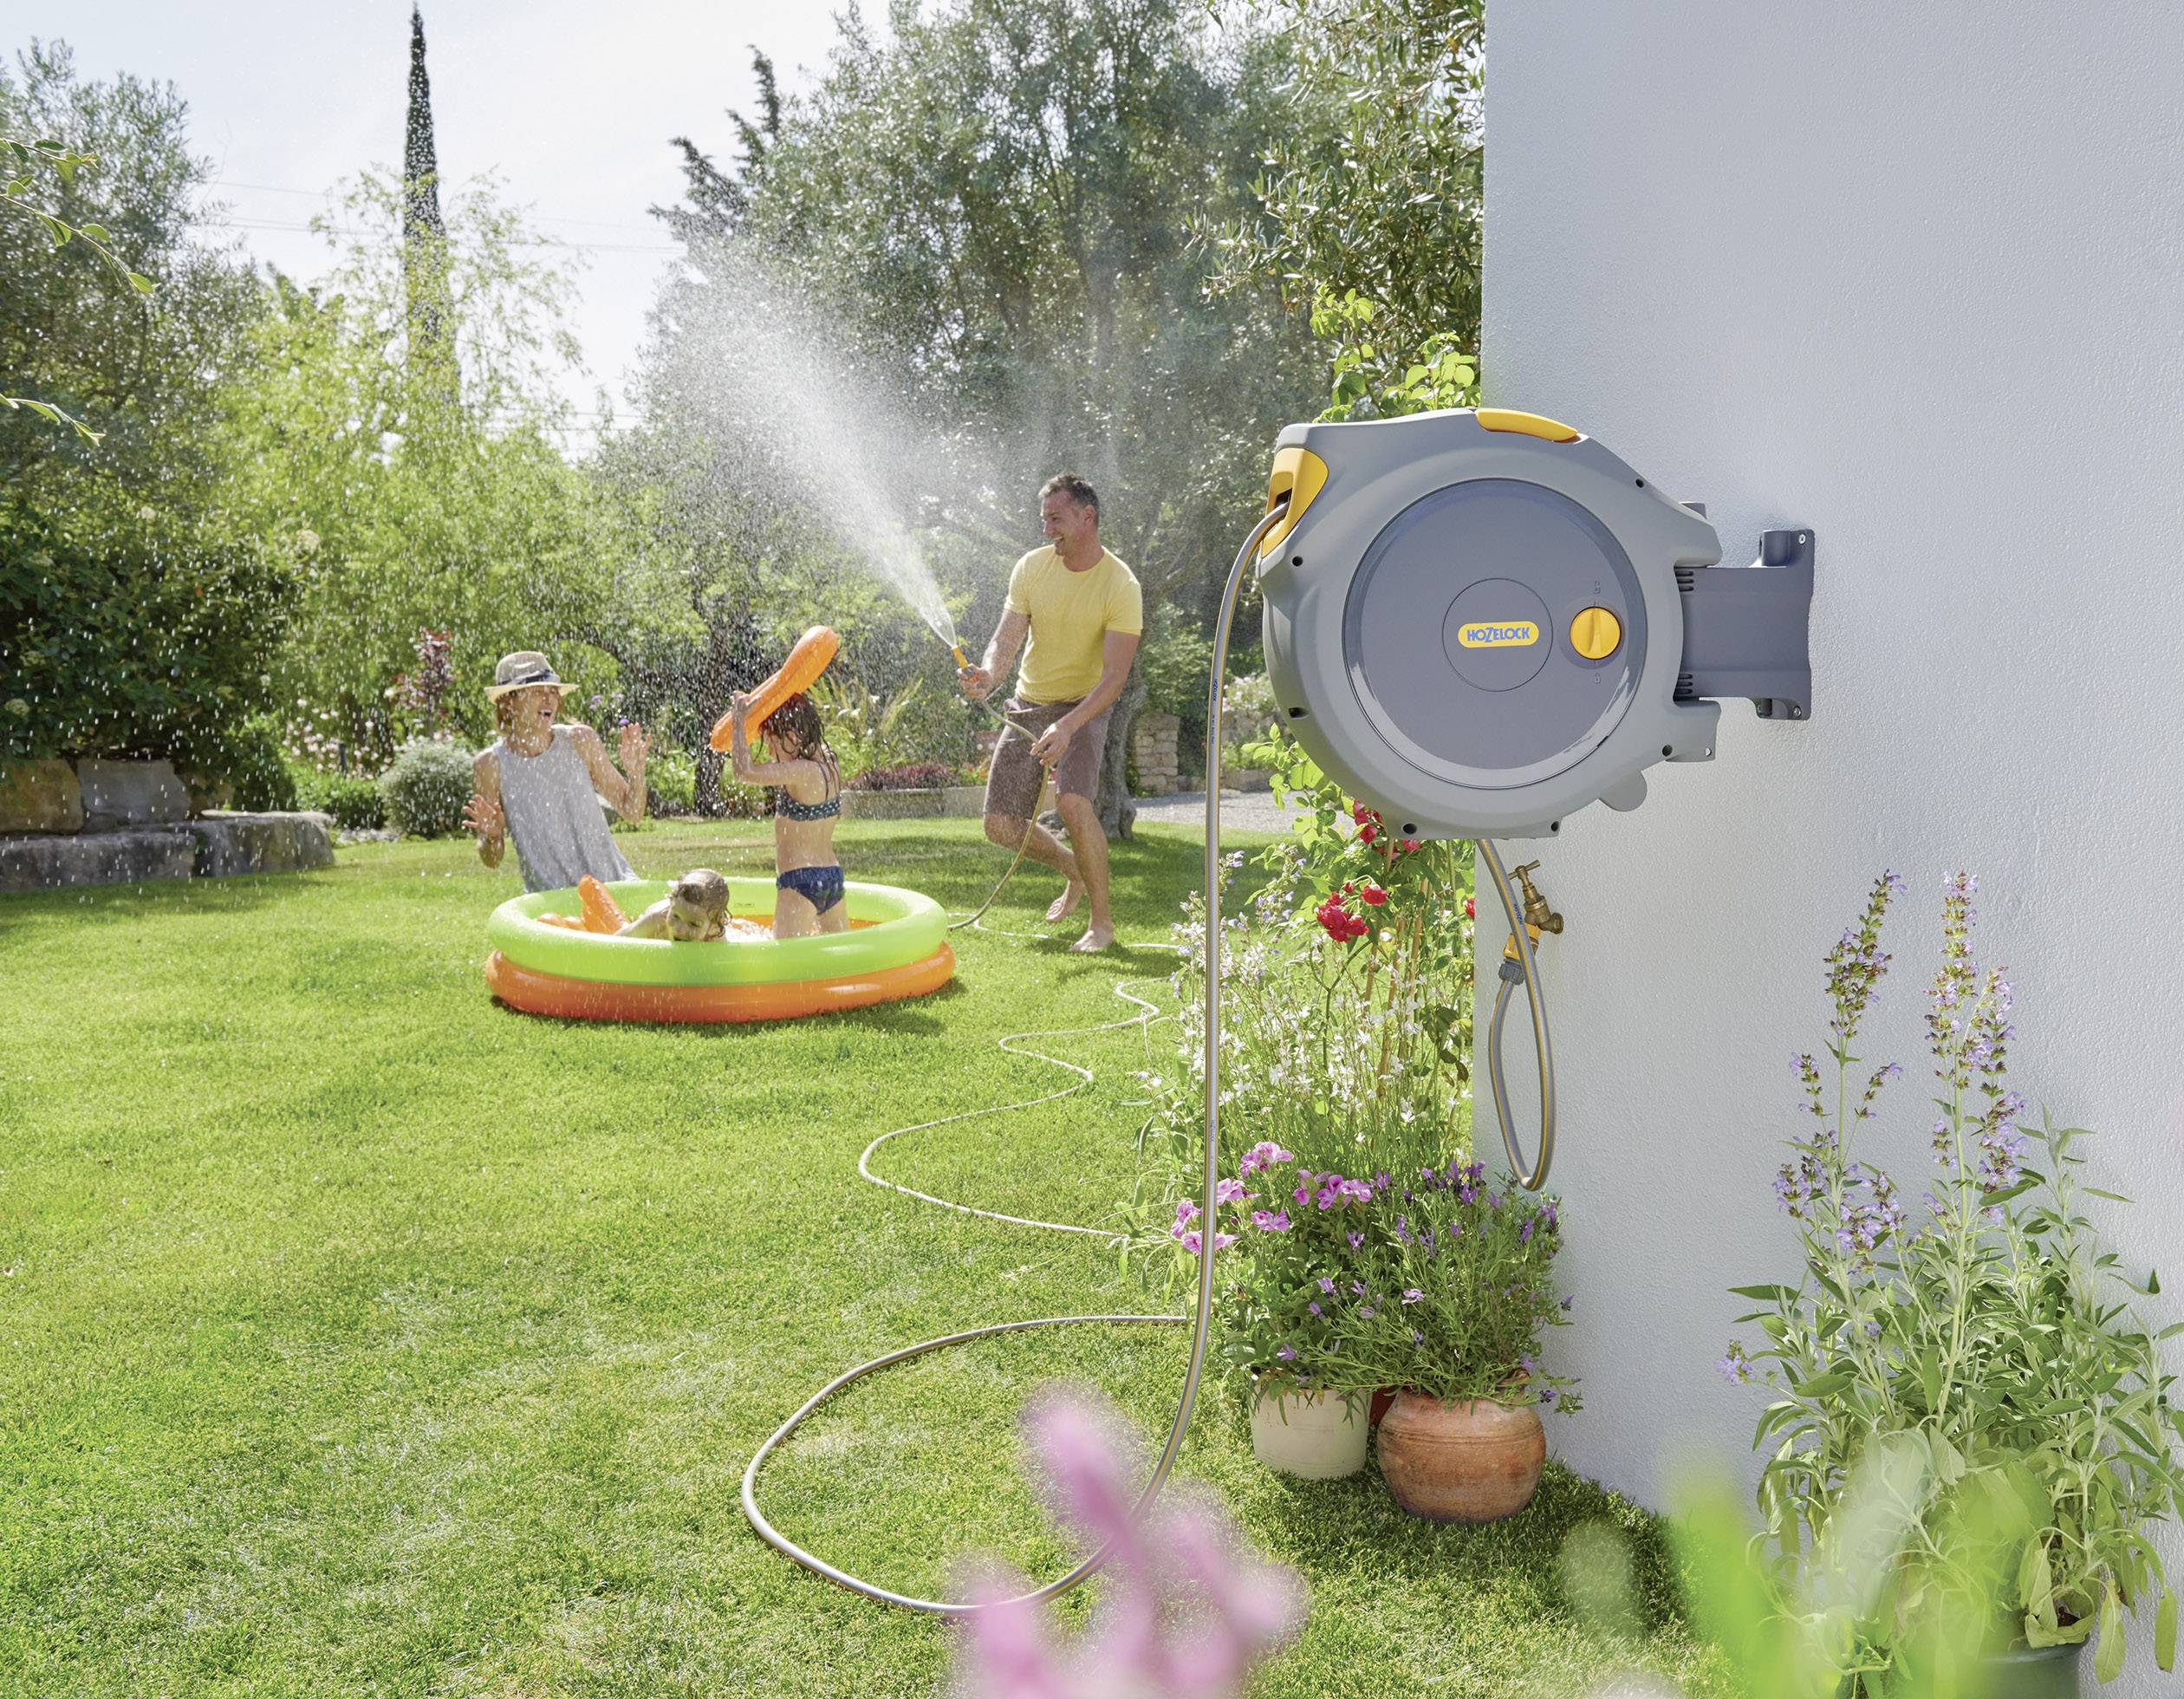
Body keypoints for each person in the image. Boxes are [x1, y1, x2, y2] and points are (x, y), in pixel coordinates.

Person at [957, 473, 1141, 953]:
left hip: (1085, 705)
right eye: (1043, 521)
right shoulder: (1032, 568)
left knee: (1073, 803)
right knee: (1000, 825)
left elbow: (1115, 677)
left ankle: (1102, 927)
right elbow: (1007, 638)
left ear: (1087, 517)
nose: (1046, 531)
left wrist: (1069, 724)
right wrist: (990, 675)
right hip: (1029, 702)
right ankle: (1073, 869)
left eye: (1055, 520)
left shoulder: (1120, 584)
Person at [464, 650, 649, 894]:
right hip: (551, 905)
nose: (549, 699)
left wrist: (636, 773)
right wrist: (492, 837)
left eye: (553, 691)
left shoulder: (580, 740)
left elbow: (632, 811)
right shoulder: (490, 765)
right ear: (509, 701)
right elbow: (492, 860)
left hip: (615, 887)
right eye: (538, 691)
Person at [725, 689, 848, 939]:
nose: (770, 752)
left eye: (771, 742)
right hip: (832, 876)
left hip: (800, 881)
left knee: (784, 963)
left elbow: (743, 771)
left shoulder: (801, 772)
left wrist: (738, 721)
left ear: (792, 736)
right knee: (840, 956)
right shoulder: (829, 763)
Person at [614, 868, 731, 941]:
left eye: (694, 924)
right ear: (671, 905)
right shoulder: (656, 920)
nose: (679, 929)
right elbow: (615, 943)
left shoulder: (716, 937)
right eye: (675, 916)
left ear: (715, 927)